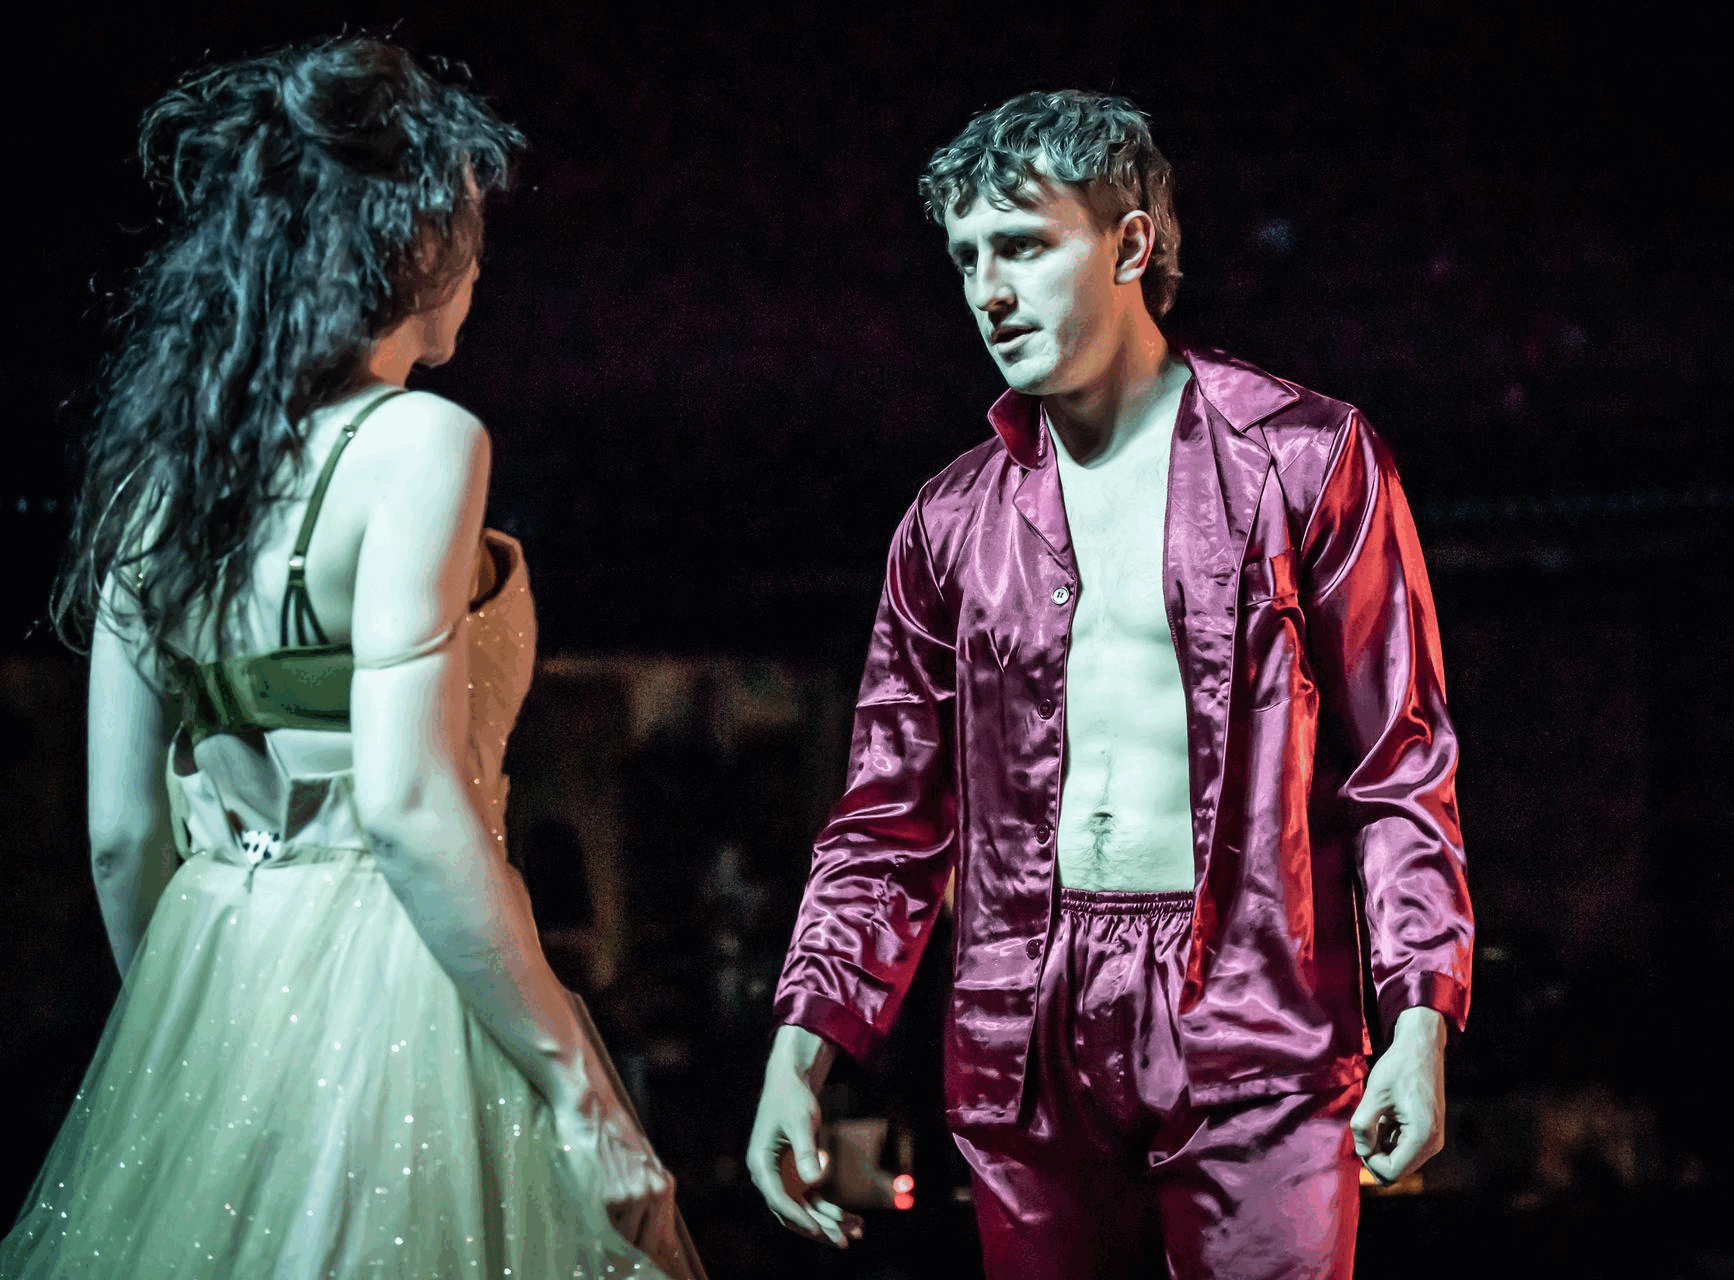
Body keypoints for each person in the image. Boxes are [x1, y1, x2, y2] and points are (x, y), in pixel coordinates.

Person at [748, 91, 1472, 1278]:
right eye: (966, 257)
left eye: (1024, 245)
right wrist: (799, 1050)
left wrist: (1421, 1018)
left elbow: (1399, 764)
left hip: (1257, 1015)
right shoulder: (948, 521)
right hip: (1023, 1019)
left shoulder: (1306, 459)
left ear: (1131, 244)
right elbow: (887, 818)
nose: (989, 290)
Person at [2, 37, 689, 1279]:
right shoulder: (421, 442)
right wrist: (580, 1090)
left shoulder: (156, 482)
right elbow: (410, 801)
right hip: (410, 981)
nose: (479, 255)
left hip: (214, 973)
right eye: (468, 218)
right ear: (410, 238)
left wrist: (194, 1044)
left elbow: (120, 835)